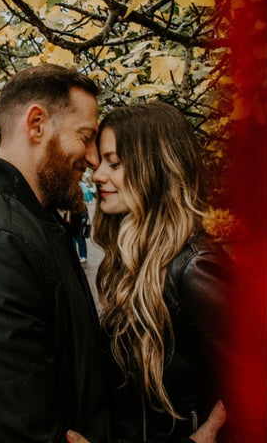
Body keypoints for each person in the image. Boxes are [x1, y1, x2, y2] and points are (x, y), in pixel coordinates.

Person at [0, 65, 225, 443]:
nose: (93, 163)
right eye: (86, 138)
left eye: (112, 159)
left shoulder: (34, 224)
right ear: (36, 124)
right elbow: (5, 422)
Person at [80, 101, 232, 442]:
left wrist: (208, 433)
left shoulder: (196, 267)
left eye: (114, 163)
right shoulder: (134, 257)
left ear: (156, 168)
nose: (98, 174)